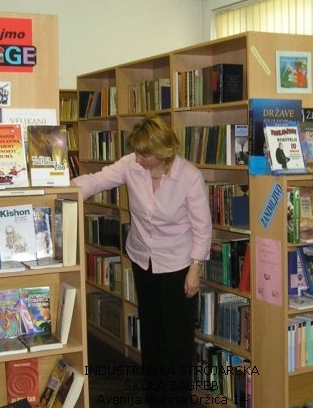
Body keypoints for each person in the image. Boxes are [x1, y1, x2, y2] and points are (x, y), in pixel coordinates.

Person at [72, 116, 212, 406]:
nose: (137, 158)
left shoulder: (189, 176)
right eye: (135, 152)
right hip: (142, 259)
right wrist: (57, 189)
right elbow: (95, 181)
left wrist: (195, 268)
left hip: (178, 265)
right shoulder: (131, 165)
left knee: (176, 337)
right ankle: (155, 398)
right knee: (151, 331)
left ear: (162, 152)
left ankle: (177, 401)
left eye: (143, 154)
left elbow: (202, 227)